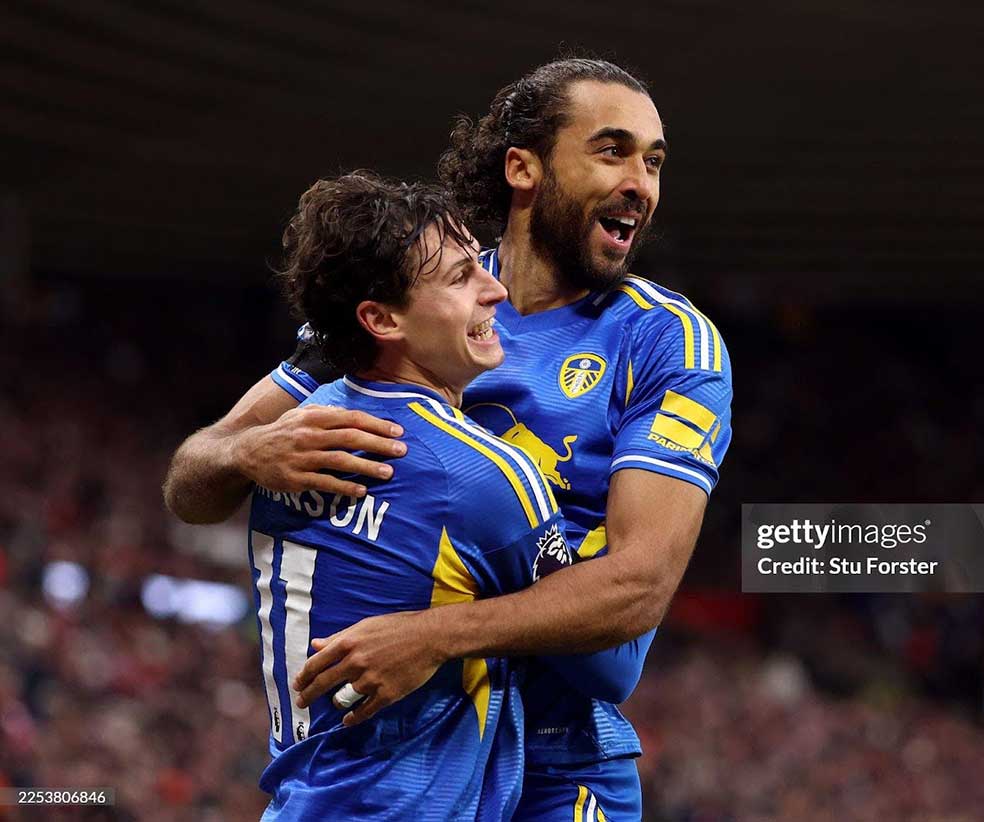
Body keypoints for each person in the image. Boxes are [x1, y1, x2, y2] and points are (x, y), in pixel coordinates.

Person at [164, 58, 732, 820]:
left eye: (654, 162)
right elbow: (191, 482)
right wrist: (245, 452)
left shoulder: (669, 344)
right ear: (524, 168)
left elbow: (639, 589)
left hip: (560, 764)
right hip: (404, 748)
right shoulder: (415, 292)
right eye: (612, 151)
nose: (641, 184)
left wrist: (435, 636)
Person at [247, 171, 641, 820]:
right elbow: (611, 669)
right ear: (381, 319)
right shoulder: (481, 475)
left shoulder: (285, 439)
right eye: (462, 278)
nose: (495, 289)